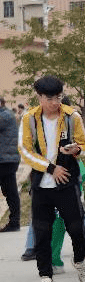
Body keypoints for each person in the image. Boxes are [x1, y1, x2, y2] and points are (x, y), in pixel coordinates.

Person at [19, 75, 85, 282]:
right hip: (42, 185)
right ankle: (46, 278)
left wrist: (75, 150)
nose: (55, 102)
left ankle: (79, 260)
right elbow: (25, 150)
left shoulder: (72, 117)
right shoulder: (29, 119)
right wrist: (51, 168)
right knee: (42, 233)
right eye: (50, 98)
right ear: (39, 97)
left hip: (67, 183)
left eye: (58, 97)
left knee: (77, 228)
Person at [0, 96, 21, 232]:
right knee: (10, 191)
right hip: (6, 159)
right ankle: (14, 222)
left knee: (11, 192)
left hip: (6, 160)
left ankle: (14, 222)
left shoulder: (5, 116)